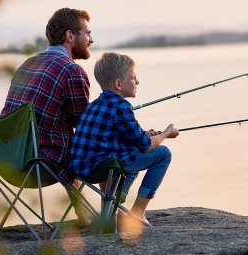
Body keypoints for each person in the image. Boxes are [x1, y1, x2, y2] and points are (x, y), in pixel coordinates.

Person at [0, 8, 94, 226]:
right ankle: (108, 217)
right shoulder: (72, 71)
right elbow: (83, 126)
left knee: (65, 142)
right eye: (87, 33)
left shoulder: (27, 64)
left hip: (7, 159)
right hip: (38, 164)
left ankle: (84, 215)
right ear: (70, 36)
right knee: (97, 145)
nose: (91, 39)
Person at [69, 52, 179, 226]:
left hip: (81, 169)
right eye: (133, 78)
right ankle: (138, 212)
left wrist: (147, 134)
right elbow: (144, 145)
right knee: (163, 154)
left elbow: (123, 135)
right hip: (103, 168)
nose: (137, 82)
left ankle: (113, 210)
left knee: (130, 152)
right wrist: (166, 133)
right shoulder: (122, 106)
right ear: (118, 84)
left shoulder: (94, 105)